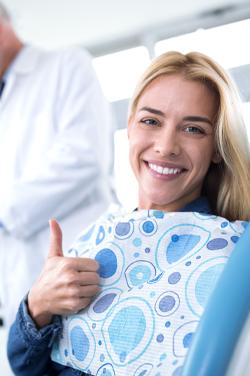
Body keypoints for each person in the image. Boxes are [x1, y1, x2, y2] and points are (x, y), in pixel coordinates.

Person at [7, 50, 250, 376]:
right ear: (130, 127)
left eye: (193, 129)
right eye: (151, 121)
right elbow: (27, 368)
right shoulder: (94, 240)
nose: (166, 146)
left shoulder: (236, 256)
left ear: (218, 147)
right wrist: (37, 306)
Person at [0, 2, 116, 328]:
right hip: (24, 294)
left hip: (83, 271)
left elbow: (84, 157)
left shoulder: (66, 66)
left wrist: (5, 212)